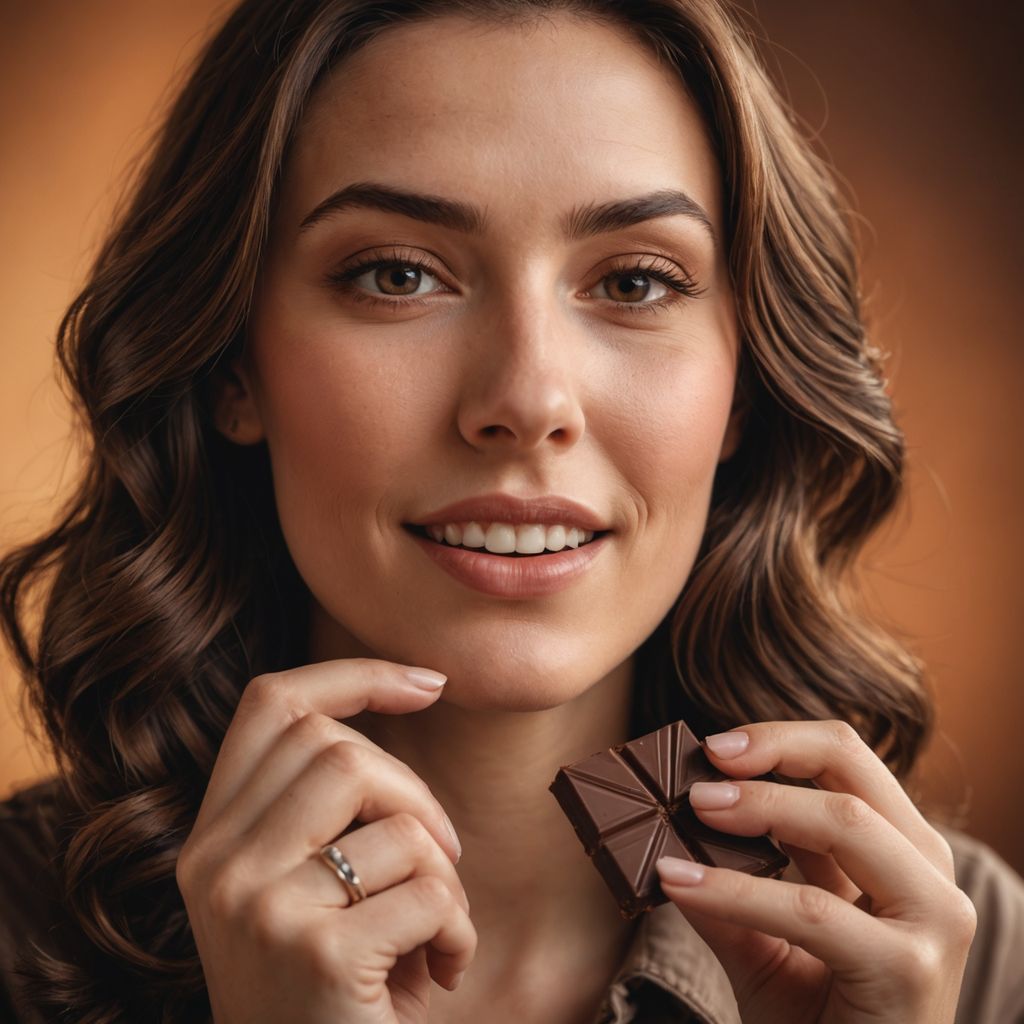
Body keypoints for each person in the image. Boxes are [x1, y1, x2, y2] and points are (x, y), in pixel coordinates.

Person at [1, 0, 1022, 1021]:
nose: (527, 400)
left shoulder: (966, 954)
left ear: (743, 386)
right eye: (397, 275)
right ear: (233, 365)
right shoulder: (20, 934)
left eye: (634, 279)